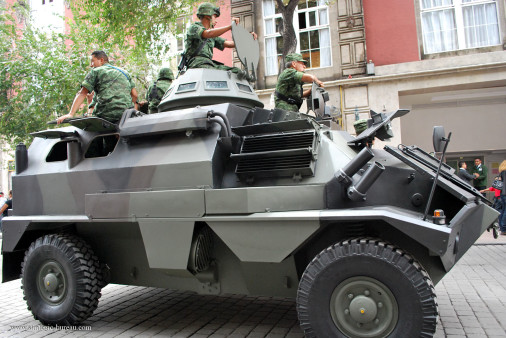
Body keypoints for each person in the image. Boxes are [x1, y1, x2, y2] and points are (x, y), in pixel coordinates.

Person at [57, 50, 138, 125]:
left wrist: (71, 114)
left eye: (92, 61)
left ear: (101, 60)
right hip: (126, 115)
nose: (91, 65)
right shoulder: (124, 72)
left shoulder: (96, 71)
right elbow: (134, 95)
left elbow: (82, 93)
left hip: (105, 116)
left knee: (90, 126)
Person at [184, 2, 257, 74]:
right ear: (208, 16)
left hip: (208, 63)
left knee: (237, 72)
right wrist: (230, 27)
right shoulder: (194, 28)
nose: (216, 20)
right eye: (214, 16)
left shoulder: (211, 36)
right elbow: (208, 33)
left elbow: (228, 44)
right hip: (196, 64)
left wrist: (247, 39)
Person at [499, 160, 506, 235]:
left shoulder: (502, 172)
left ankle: (502, 228)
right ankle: (504, 228)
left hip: (502, 193)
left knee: (503, 210)